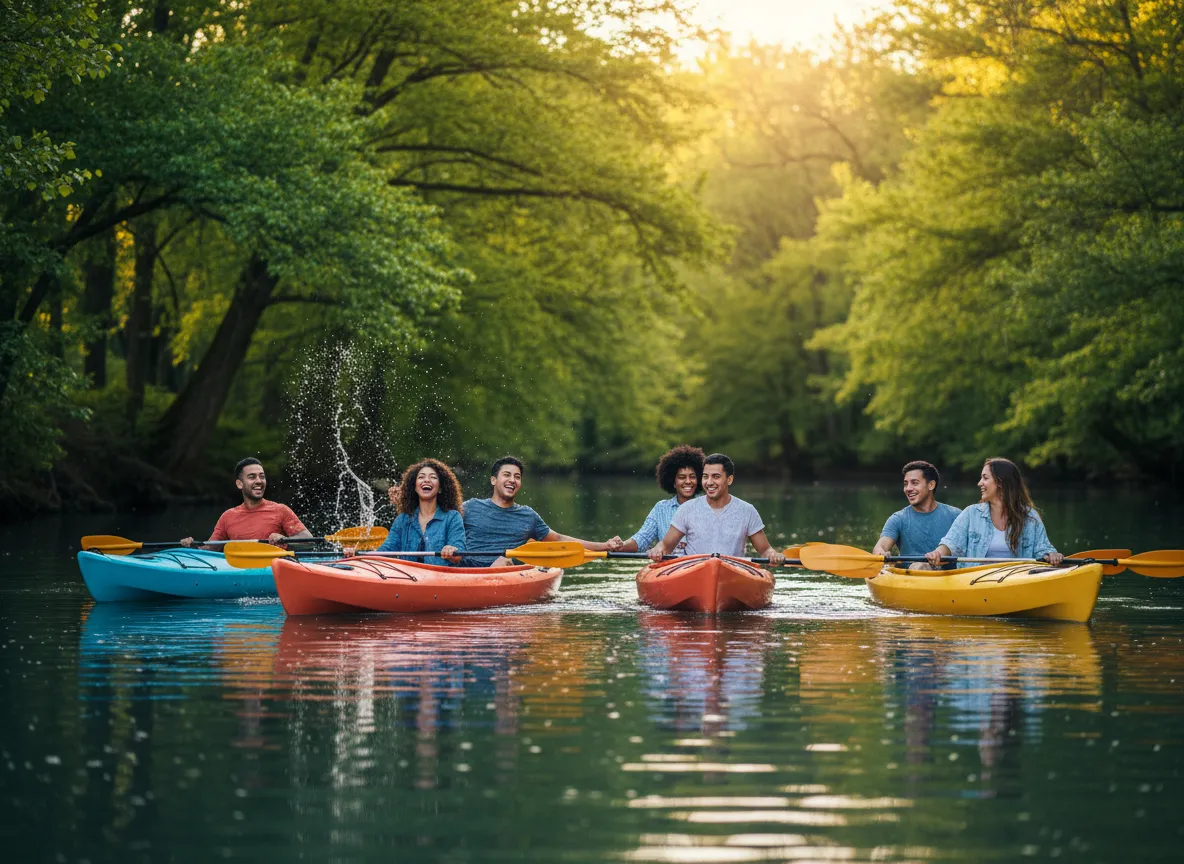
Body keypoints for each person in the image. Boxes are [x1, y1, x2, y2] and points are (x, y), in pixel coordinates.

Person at [464, 456, 622, 567]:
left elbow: (559, 539)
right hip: (463, 570)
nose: (512, 480)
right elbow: (443, 522)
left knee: (502, 561)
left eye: (517, 477)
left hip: (503, 570)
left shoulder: (528, 516)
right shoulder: (470, 507)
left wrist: (604, 545)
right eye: (506, 475)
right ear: (493, 480)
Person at [647, 453, 786, 565]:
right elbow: (666, 545)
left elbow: (765, 550)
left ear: (729, 480)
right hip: (692, 571)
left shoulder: (747, 511)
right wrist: (658, 550)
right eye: (705, 477)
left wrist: (773, 555)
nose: (709, 482)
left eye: (716, 477)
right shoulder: (686, 509)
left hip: (733, 572)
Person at [925, 457, 1064, 568]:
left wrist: (1052, 555)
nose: (979, 483)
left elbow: (1043, 550)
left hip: (1017, 583)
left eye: (985, 478)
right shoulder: (971, 514)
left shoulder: (1029, 516)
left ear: (1001, 483)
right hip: (976, 583)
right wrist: (937, 553)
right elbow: (950, 544)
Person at [181, 457, 313, 547]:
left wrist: (284, 540)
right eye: (252, 477)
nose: (259, 481)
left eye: (262, 476)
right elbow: (210, 549)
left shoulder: (280, 510)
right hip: (240, 572)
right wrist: (192, 545)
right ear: (239, 484)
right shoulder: (228, 516)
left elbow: (309, 540)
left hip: (273, 570)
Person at [371, 458, 465, 566]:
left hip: (441, 580)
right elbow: (385, 551)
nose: (426, 480)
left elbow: (458, 554)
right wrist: (356, 555)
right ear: (414, 487)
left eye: (433, 477)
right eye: (421, 477)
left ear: (440, 487)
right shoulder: (402, 519)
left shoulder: (452, 517)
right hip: (407, 579)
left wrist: (451, 550)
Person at [614, 445, 705, 555]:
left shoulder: (707, 506)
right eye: (681, 477)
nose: (688, 481)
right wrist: (620, 546)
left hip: (700, 564)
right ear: (673, 482)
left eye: (692, 477)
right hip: (670, 567)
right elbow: (642, 539)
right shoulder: (661, 509)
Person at [872, 460, 961, 569]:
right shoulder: (898, 519)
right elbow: (880, 546)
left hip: (951, 579)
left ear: (931, 485)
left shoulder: (956, 515)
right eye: (906, 484)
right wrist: (881, 554)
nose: (908, 488)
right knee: (918, 567)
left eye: (914, 483)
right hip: (911, 578)